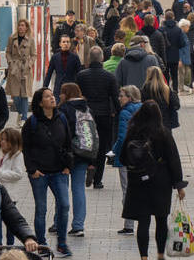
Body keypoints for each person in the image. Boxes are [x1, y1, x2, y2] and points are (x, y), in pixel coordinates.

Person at [120, 100, 187, 260]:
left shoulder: (132, 132)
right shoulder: (163, 133)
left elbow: (122, 157)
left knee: (143, 221)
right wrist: (179, 185)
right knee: (161, 219)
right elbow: (174, 159)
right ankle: (160, 257)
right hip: (160, 180)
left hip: (138, 181)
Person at [21, 87, 73, 257]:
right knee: (41, 209)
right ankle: (41, 243)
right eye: (47, 96)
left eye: (52, 95)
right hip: (40, 173)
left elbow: (68, 143)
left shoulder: (61, 118)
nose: (52, 98)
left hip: (59, 171)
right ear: (40, 102)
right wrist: (32, 170)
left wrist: (67, 166)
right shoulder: (32, 122)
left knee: (64, 205)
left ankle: (62, 243)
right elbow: (26, 148)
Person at [76, 46, 120, 190]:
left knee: (86, 143)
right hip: (104, 115)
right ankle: (98, 180)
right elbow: (115, 97)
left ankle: (89, 165)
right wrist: (118, 113)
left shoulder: (81, 75)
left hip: (86, 114)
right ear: (102, 58)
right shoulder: (109, 76)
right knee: (101, 148)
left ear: (89, 58)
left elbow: (77, 95)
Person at [58, 83, 92, 237]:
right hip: (83, 153)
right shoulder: (86, 108)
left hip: (66, 155)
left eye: (61, 93)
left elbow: (61, 133)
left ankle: (58, 221)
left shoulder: (64, 109)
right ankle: (78, 225)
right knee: (78, 189)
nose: (59, 96)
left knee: (61, 189)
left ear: (67, 94)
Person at [111, 85, 142, 236]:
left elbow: (123, 137)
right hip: (142, 156)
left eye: (121, 95)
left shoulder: (124, 113)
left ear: (129, 97)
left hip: (127, 157)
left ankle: (129, 224)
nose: (119, 98)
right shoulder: (143, 109)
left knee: (127, 190)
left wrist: (114, 150)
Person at [0, 127, 25, 246]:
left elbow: (18, 174)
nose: (2, 142)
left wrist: (0, 175)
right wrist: (4, 175)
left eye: (6, 140)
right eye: (2, 139)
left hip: (10, 194)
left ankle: (10, 245)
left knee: (11, 222)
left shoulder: (18, 154)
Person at [5, 19, 37, 124]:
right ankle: (19, 112)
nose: (21, 27)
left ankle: (23, 118)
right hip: (14, 69)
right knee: (15, 95)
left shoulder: (30, 40)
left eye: (23, 25)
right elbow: (8, 52)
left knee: (24, 94)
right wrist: (10, 62)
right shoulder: (12, 38)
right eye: (19, 25)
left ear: (26, 27)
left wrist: (29, 64)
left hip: (25, 69)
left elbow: (34, 54)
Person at [141, 66, 181, 131]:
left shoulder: (145, 89)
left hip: (150, 123)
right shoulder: (166, 89)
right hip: (165, 124)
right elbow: (176, 105)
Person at [162, 10, 186, 92]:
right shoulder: (178, 30)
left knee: (165, 76)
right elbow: (182, 43)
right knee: (174, 75)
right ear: (173, 18)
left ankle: (166, 91)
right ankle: (175, 91)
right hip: (175, 55)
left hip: (164, 56)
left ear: (165, 18)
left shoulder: (161, 29)